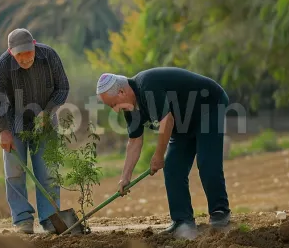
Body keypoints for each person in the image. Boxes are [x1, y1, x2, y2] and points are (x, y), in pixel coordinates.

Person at [96, 67, 231, 239]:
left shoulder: (147, 86)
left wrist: (158, 156)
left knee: (206, 161)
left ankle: (220, 212)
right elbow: (135, 140)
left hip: (208, 106)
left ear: (122, 91)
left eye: (113, 104)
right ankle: (182, 221)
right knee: (173, 168)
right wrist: (125, 176)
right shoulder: (130, 109)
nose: (115, 110)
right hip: (183, 122)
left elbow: (167, 120)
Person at [0, 28, 69, 234]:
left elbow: (63, 88)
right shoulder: (2, 67)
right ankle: (22, 220)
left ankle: (51, 219)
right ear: (10, 52)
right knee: (14, 173)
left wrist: (47, 112)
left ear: (34, 44)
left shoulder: (49, 56)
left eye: (28, 53)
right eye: (19, 55)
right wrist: (2, 131)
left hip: (45, 123)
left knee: (48, 173)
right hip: (14, 124)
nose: (25, 59)